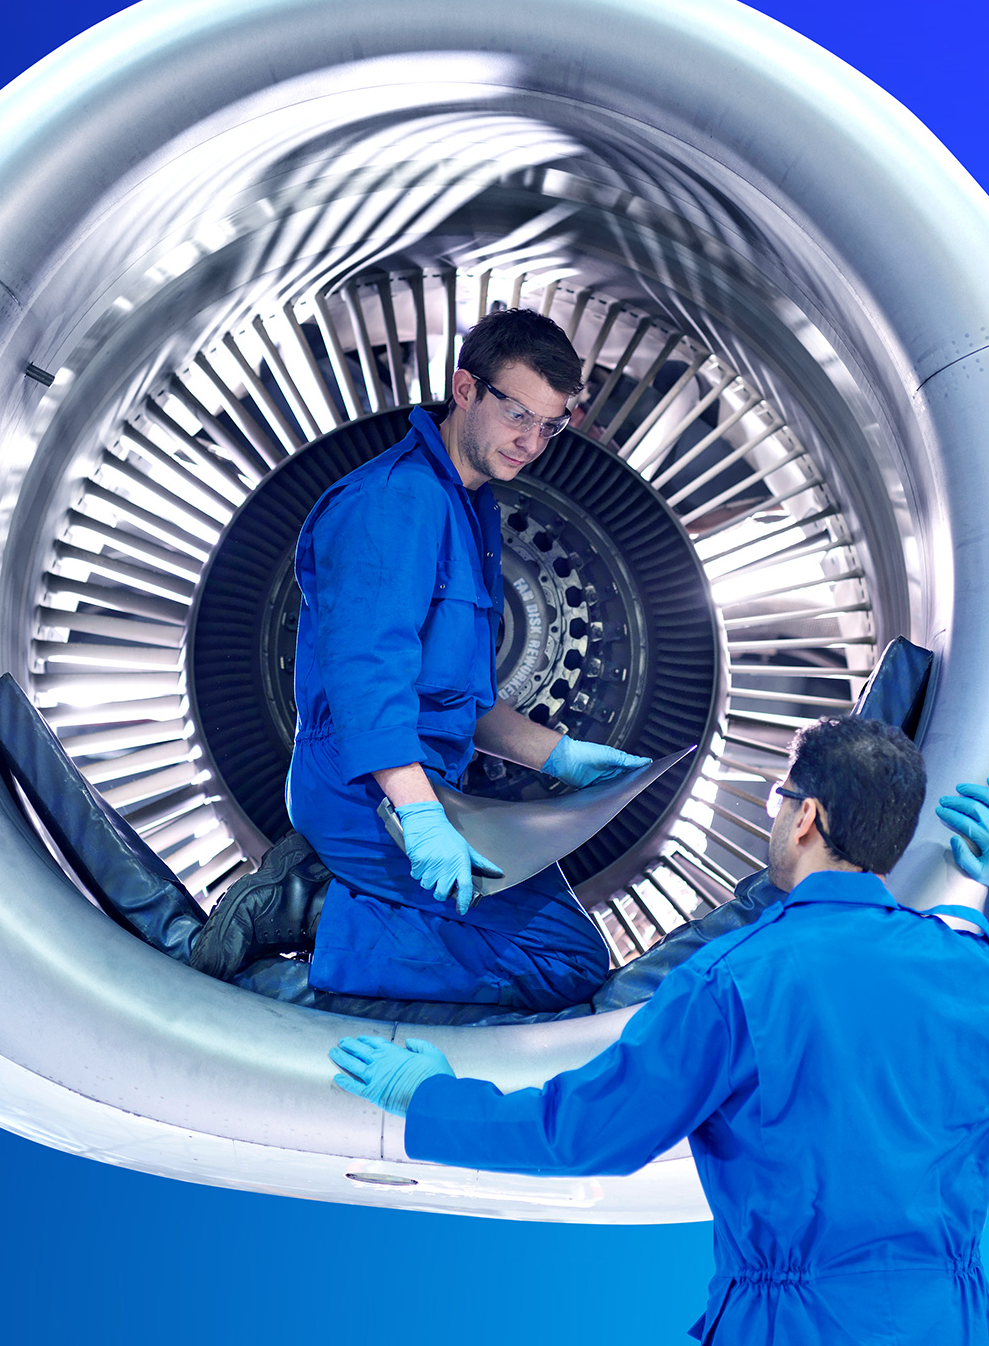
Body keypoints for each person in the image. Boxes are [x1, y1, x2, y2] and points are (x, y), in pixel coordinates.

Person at [329, 716, 989, 1345]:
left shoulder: (730, 983)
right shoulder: (970, 969)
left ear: (806, 815)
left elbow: (585, 1137)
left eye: (781, 797)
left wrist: (428, 1098)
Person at [188, 308, 647, 1010]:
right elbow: (367, 680)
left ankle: (329, 894)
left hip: (430, 794)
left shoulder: (469, 505)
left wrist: (561, 756)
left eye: (552, 425)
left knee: (570, 943)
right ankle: (311, 910)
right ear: (465, 388)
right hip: (365, 797)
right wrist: (420, 817)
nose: (532, 442)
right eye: (518, 414)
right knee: (565, 962)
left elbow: (465, 699)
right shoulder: (394, 501)